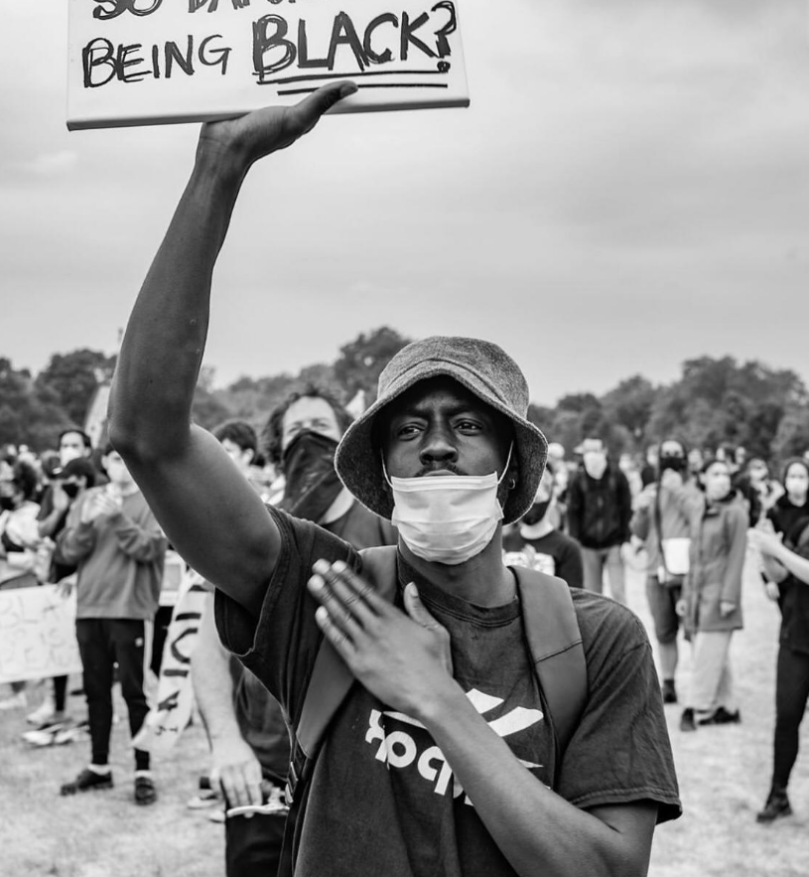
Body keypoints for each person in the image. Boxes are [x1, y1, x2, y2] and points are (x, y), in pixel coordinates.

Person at [108, 85, 680, 876]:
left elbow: (609, 870)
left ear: (513, 468)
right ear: (379, 471)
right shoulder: (324, 596)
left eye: (467, 425)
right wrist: (219, 168)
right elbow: (147, 436)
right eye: (408, 430)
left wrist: (436, 700)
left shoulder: (597, 641)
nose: (436, 446)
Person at [194, 399, 396, 877]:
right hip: (264, 774)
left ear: (348, 441)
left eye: (321, 426)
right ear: (276, 448)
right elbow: (208, 648)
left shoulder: (387, 527)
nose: (307, 438)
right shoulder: (255, 532)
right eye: (295, 430)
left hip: (364, 774)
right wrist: (225, 741)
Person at [57, 442, 166, 805]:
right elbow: (67, 551)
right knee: (95, 691)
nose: (121, 466)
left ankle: (143, 771)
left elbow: (151, 549)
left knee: (135, 693)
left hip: (130, 610)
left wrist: (118, 518)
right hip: (89, 609)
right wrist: (87, 523)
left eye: (126, 459)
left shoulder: (153, 499)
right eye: (115, 459)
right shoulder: (88, 500)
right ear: (104, 463)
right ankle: (99, 766)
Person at [748, 458, 809, 822]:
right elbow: (781, 576)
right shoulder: (782, 513)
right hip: (796, 632)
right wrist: (763, 551)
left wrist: (775, 547)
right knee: (786, 718)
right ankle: (778, 794)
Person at [31, 428, 99, 728]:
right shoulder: (56, 487)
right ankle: (56, 706)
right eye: (64, 445)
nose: (68, 449)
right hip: (57, 575)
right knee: (56, 640)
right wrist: (59, 511)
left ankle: (95, 709)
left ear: (87, 449)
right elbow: (41, 530)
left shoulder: (100, 487)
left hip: (90, 576)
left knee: (92, 647)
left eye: (74, 445)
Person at [678, 458, 747, 731]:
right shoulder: (700, 509)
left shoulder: (736, 512)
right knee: (714, 652)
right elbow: (693, 558)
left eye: (725, 474)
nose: (722, 479)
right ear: (703, 477)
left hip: (720, 595)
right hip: (698, 593)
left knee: (706, 652)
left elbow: (737, 557)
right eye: (716, 473)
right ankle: (727, 707)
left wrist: (729, 597)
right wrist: (685, 596)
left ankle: (696, 708)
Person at [630, 438, 698, 705]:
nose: (670, 457)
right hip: (656, 571)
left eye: (676, 453)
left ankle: (701, 684)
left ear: (685, 458)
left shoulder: (694, 489)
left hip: (687, 572)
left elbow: (697, 518)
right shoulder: (651, 490)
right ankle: (668, 684)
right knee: (664, 632)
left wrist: (677, 490)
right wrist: (640, 510)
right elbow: (639, 532)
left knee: (694, 631)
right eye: (666, 453)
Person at [0, 456, 46, 710]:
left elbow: (36, 558)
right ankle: (17, 691)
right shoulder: (8, 514)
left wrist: (6, 556)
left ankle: (26, 694)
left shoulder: (32, 515)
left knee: (20, 640)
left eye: (9, 484)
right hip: (5, 582)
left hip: (21, 583)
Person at [566, 438, 632, 604]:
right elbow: (573, 511)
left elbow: (626, 508)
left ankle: (622, 620)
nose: (592, 456)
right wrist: (575, 541)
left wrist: (626, 539)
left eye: (595, 451)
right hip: (588, 544)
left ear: (604, 452)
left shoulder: (617, 475)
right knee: (592, 595)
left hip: (614, 542)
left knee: (618, 591)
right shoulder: (578, 478)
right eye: (588, 451)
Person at [502, 465, 583, 587]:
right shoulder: (503, 543)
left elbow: (571, 596)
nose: (530, 507)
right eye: (525, 501)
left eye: (536, 500)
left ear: (552, 499)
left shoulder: (568, 549)